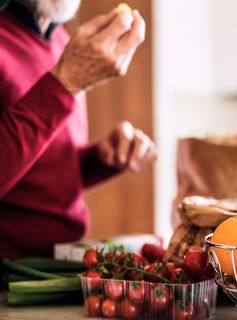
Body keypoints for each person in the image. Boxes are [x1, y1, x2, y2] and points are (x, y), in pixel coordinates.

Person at [0, 0, 156, 259]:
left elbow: (35, 174)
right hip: (10, 278)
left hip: (56, 266)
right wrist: (65, 84)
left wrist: (102, 158)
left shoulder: (63, 42)